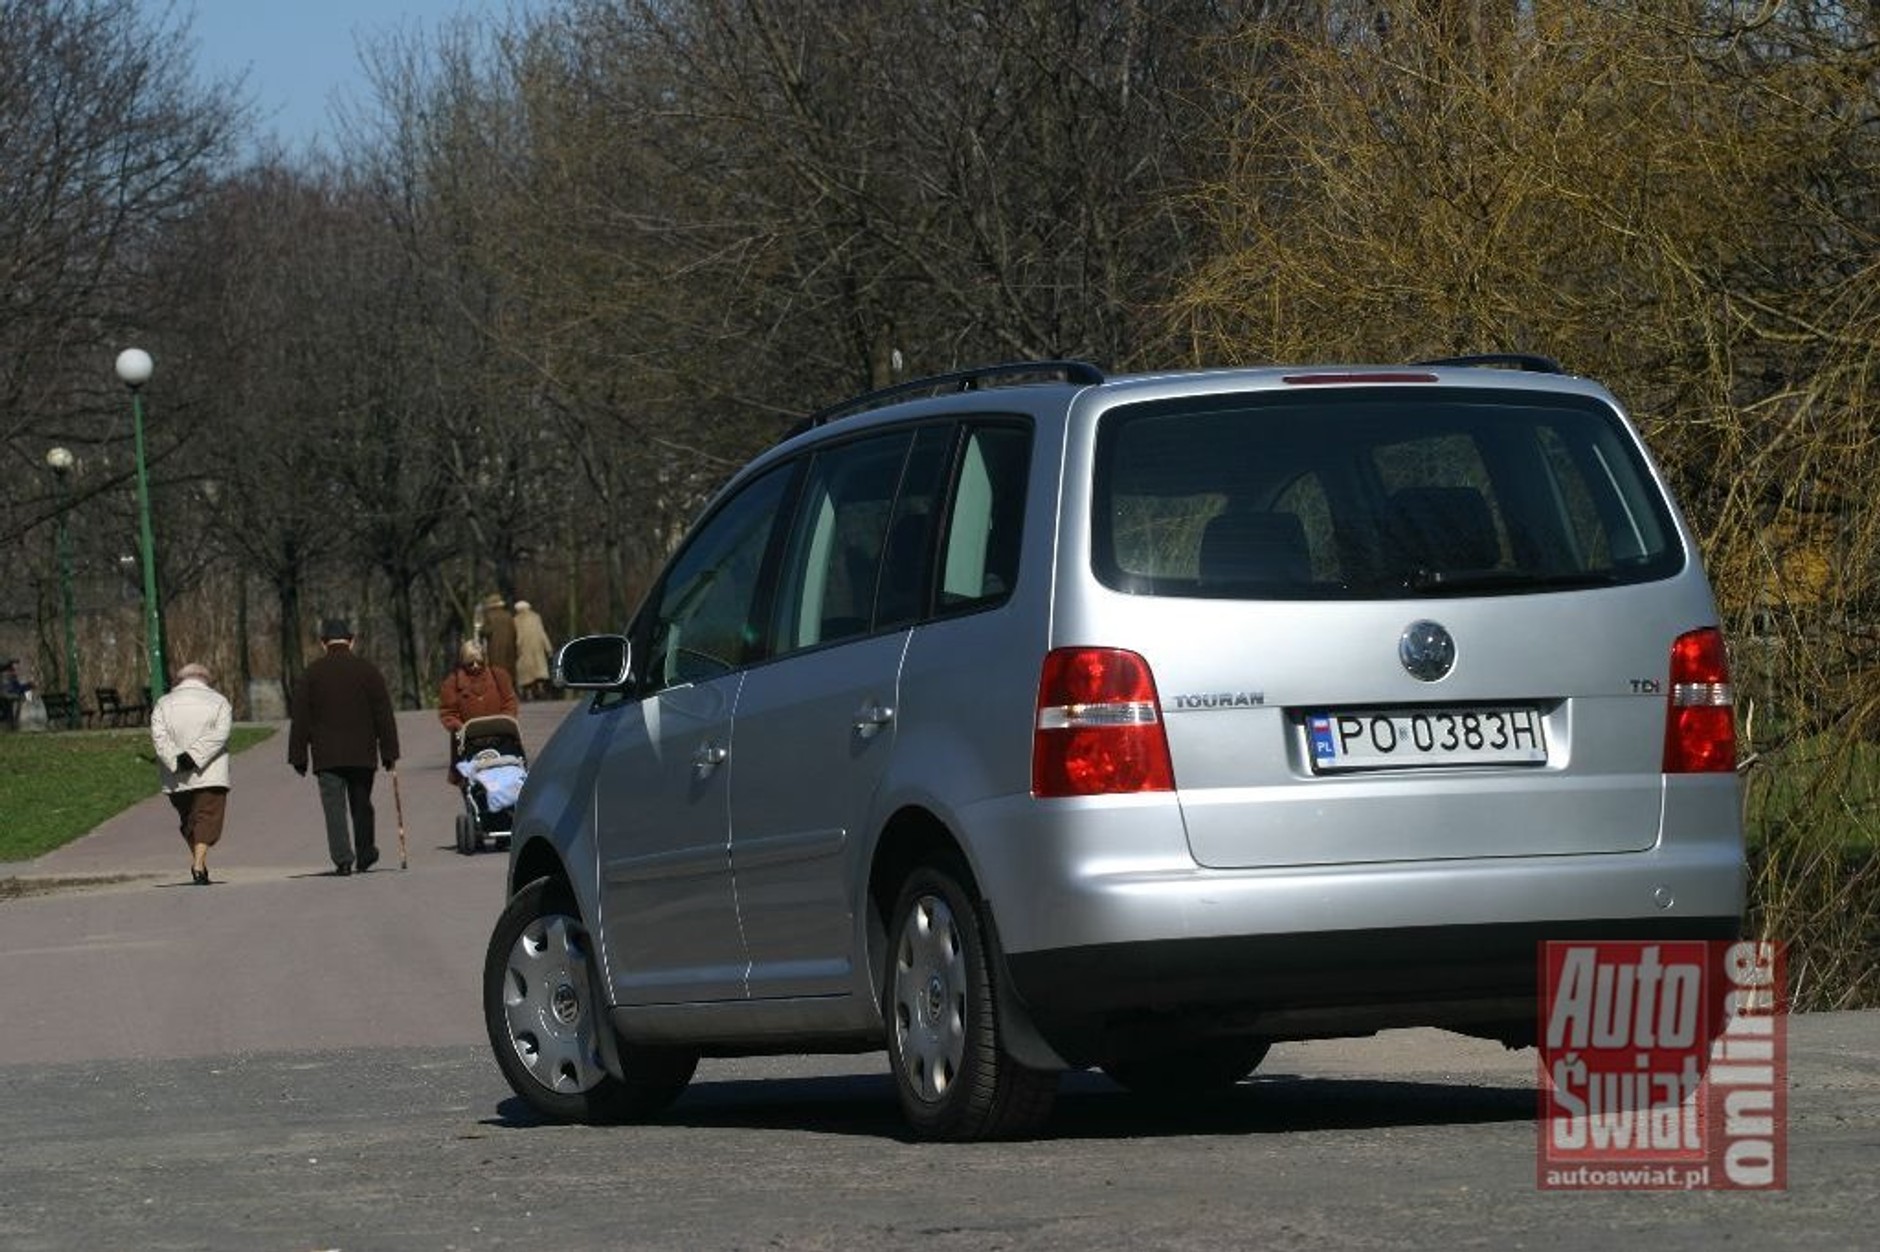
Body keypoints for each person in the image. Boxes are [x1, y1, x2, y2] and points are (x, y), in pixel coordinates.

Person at [288, 618, 401, 875]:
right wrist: (389, 751)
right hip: (362, 752)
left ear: (323, 642)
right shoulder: (367, 671)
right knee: (362, 804)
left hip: (326, 754)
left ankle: (342, 858)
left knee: (334, 808)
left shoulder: (312, 674)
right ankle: (365, 852)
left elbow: (301, 717)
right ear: (352, 640)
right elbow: (383, 713)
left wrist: (298, 756)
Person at [150, 662, 233, 885]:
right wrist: (194, 757)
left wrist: (175, 759)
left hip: (176, 776)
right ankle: (198, 864)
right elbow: (220, 735)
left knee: (189, 819)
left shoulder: (163, 704)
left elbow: (159, 737)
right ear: (205, 679)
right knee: (207, 817)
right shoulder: (219, 702)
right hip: (211, 772)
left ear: (180, 680)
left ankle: (199, 864)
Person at [438, 640, 518, 785]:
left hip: (499, 738)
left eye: (479, 662)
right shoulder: (452, 683)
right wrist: (459, 727)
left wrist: (505, 720)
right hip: (468, 743)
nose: (475, 667)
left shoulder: (498, 676)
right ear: (463, 663)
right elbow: (447, 712)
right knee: (470, 782)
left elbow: (509, 701)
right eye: (470, 663)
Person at [512, 600, 554, 699]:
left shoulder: (516, 620)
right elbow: (542, 633)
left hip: (524, 648)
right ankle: (540, 688)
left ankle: (529, 693)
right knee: (539, 670)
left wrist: (517, 648)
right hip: (537, 647)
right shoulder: (536, 617)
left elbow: (517, 636)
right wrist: (548, 648)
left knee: (526, 673)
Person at [480, 593, 517, 680]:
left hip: (495, 647)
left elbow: (487, 631)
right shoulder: (508, 615)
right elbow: (514, 632)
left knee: (497, 671)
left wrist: (481, 632)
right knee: (508, 670)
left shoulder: (489, 616)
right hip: (509, 648)